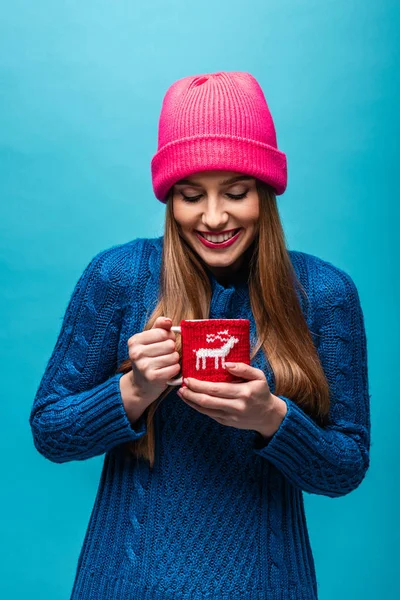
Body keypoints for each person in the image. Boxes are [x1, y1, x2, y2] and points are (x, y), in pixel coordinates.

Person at [29, 71, 371, 599]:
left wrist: (272, 420)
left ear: (266, 193)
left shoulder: (324, 294)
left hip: (269, 584)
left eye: (236, 192)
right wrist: (133, 392)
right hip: (126, 582)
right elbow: (49, 432)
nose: (214, 217)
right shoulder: (118, 277)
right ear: (170, 201)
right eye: (191, 196)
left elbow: (346, 468)